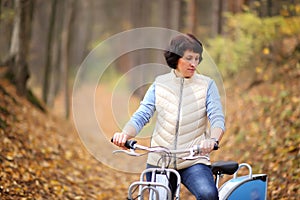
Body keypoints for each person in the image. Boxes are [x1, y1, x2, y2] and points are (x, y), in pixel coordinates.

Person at [112, 33, 225, 200]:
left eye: (197, 58)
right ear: (176, 58)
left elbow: (217, 117)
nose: (194, 64)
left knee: (208, 194)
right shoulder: (160, 83)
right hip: (160, 161)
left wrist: (213, 140)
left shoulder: (207, 85)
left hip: (193, 161)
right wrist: (124, 135)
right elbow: (142, 115)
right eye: (189, 58)